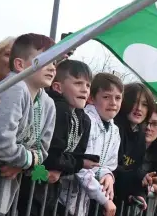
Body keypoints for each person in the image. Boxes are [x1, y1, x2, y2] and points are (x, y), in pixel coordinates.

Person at [0, 33, 57, 216]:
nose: (52, 68)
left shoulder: (48, 104)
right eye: (45, 60)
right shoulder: (14, 88)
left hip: (1, 193)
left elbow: (42, 150)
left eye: (55, 62)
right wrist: (26, 160)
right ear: (20, 65)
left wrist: (23, 163)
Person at [17, 60, 96, 216]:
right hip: (31, 178)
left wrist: (64, 167)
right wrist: (79, 163)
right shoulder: (58, 109)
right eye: (78, 83)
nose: (84, 90)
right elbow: (51, 156)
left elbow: (75, 154)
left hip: (51, 185)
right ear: (58, 87)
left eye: (87, 85)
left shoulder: (84, 119)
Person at [58, 73, 121, 216]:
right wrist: (104, 199)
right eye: (106, 97)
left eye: (118, 98)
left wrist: (108, 175)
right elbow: (82, 165)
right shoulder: (86, 120)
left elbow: (107, 164)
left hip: (84, 203)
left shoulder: (115, 130)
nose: (113, 103)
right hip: (63, 198)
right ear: (91, 98)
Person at [113, 82, 156, 210]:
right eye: (134, 102)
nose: (139, 108)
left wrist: (139, 194)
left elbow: (135, 169)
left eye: (144, 104)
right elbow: (111, 167)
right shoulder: (114, 126)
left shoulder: (141, 135)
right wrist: (139, 176)